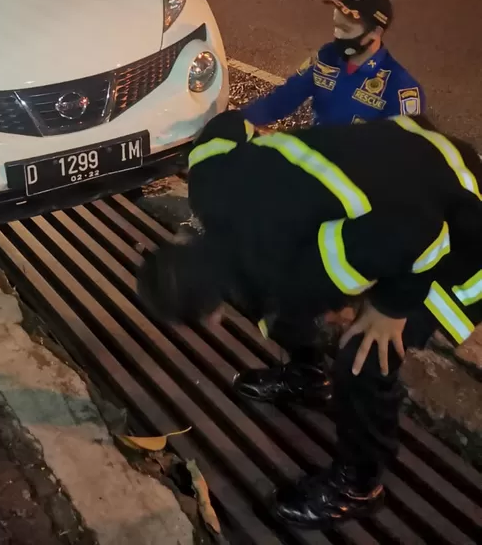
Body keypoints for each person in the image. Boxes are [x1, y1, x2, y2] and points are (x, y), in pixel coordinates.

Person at [137, 109, 482, 528]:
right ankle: (308, 377)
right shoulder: (208, 180)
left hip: (460, 219)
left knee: (363, 352)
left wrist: (390, 309)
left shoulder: (302, 271)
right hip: (405, 149)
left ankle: (359, 484)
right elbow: (225, 124)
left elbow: (421, 236)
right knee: (280, 306)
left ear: (211, 318)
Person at [241, 0, 424, 127]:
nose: (338, 35)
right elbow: (283, 99)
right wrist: (240, 120)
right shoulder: (325, 58)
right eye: (336, 25)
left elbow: (406, 154)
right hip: (317, 160)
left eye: (346, 29)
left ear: (375, 32)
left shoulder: (400, 89)